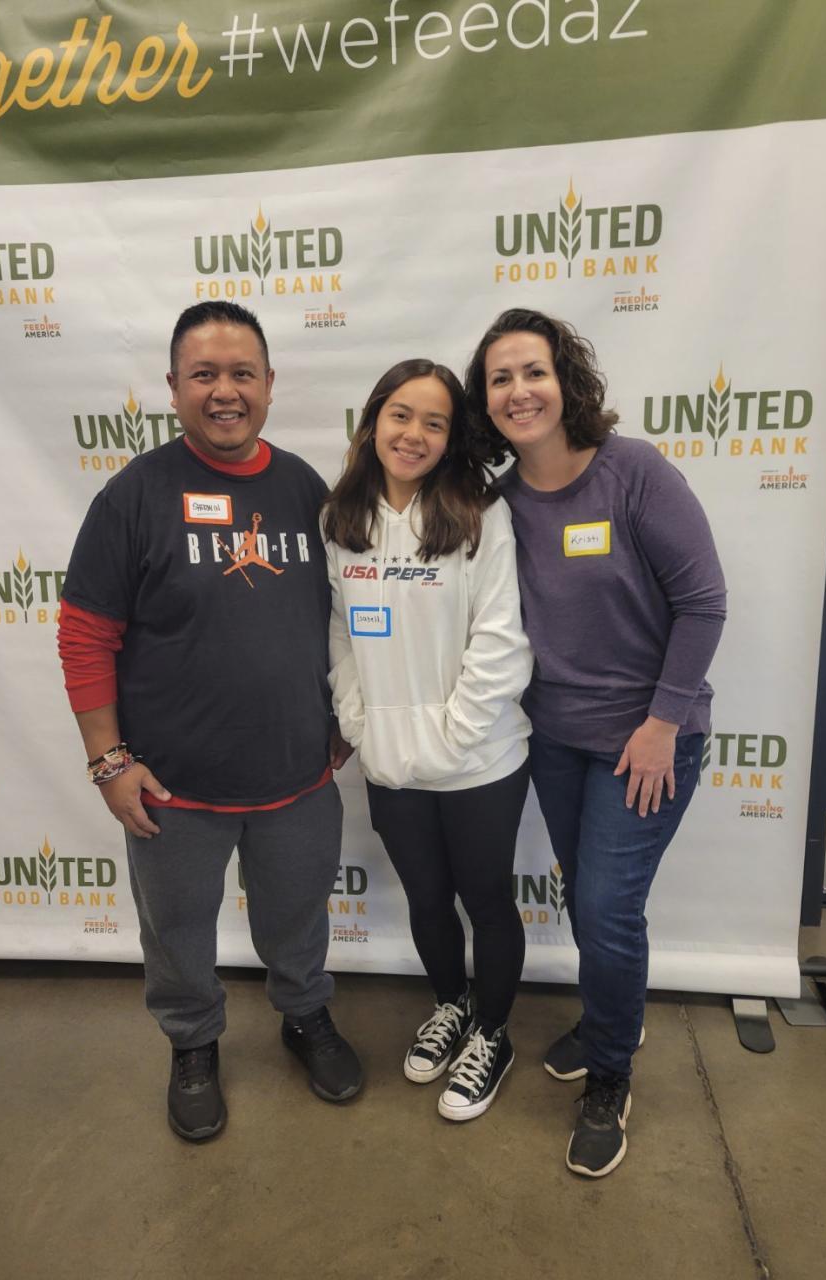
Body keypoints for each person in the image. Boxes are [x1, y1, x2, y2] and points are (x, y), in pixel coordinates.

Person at [57, 301, 361, 1143]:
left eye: (241, 373)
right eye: (204, 375)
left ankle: (305, 1015)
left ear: (269, 384)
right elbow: (84, 634)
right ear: (173, 388)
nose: (224, 391)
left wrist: (346, 712)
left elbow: (345, 614)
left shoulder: (303, 488)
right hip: (174, 787)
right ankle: (193, 1043)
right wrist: (108, 760)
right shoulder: (135, 495)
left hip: (298, 775)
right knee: (178, 931)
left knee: (298, 918)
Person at [465, 308, 726, 1176]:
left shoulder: (633, 472)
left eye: (533, 371)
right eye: (500, 378)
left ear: (565, 380)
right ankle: (613, 1016)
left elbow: (703, 602)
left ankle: (611, 1071)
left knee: (609, 909)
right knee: (586, 900)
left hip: (647, 740)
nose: (519, 391)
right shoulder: (501, 503)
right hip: (557, 740)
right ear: (486, 400)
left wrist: (661, 725)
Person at [322, 358, 533, 1121]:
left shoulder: (479, 513)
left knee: (487, 900)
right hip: (391, 765)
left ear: (451, 438)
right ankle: (452, 1004)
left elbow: (501, 641)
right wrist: (360, 724)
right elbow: (342, 633)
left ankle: (493, 1034)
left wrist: (451, 739)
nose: (414, 434)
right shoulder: (341, 519)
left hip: (480, 763)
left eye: (434, 423)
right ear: (374, 421)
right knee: (427, 900)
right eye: (401, 415)